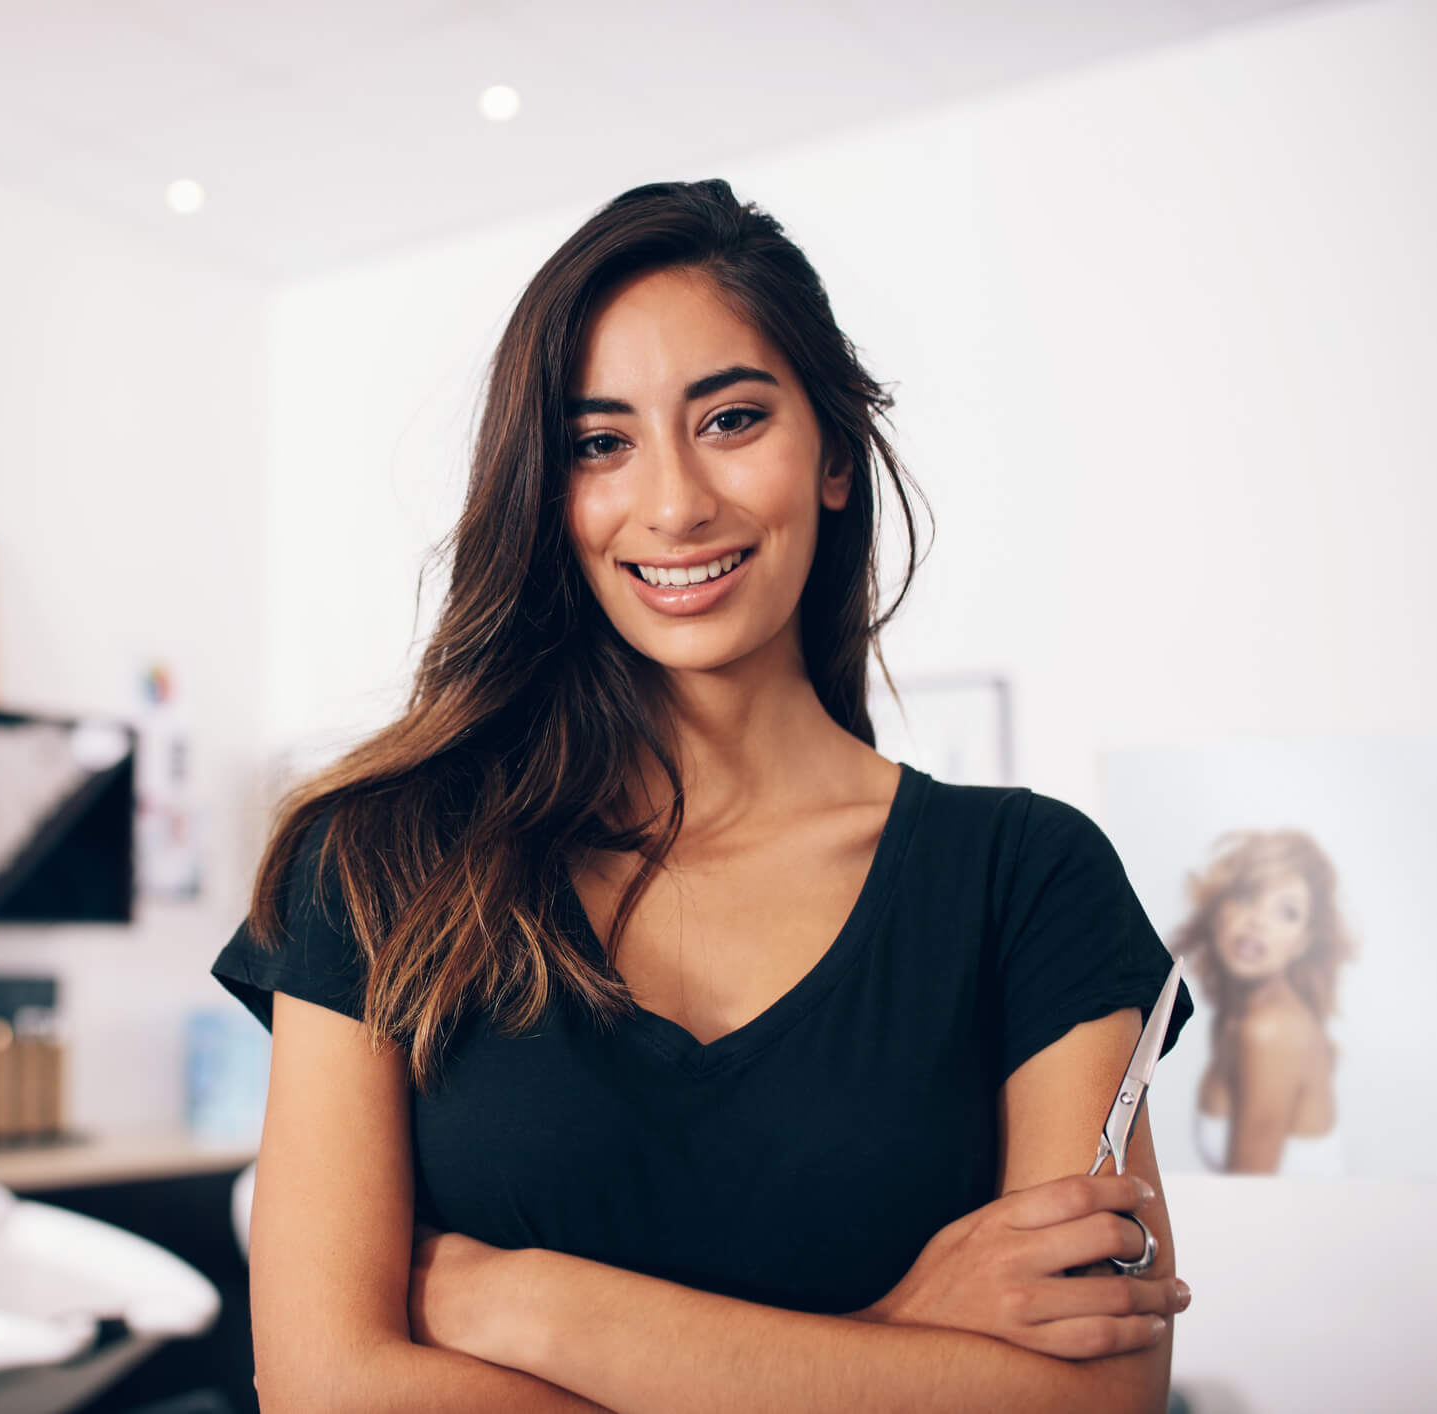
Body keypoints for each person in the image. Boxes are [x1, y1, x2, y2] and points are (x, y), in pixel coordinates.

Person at [210, 178, 1195, 1411]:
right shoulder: (377, 861)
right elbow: (329, 1389)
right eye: (599, 442)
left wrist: (532, 1303)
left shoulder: (1029, 879)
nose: (673, 502)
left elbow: (1091, 1402)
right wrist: (894, 1338)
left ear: (834, 455)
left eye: (730, 419)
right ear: (545, 491)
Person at [1170, 829, 1353, 1177]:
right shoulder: (1234, 1017)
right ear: (1218, 906)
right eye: (1246, 895)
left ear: (1303, 941)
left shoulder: (1270, 1031)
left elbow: (1248, 1198)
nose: (1257, 921)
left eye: (1286, 912)